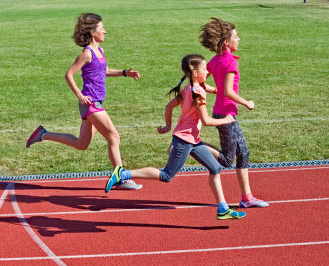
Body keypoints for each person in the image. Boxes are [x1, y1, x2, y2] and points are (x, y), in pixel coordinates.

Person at [105, 54, 246, 220]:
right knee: (166, 175)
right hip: (185, 140)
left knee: (215, 168)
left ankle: (222, 209)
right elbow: (206, 121)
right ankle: (123, 174)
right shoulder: (197, 94)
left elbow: (169, 106)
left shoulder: (189, 88)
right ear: (194, 73)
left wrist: (168, 126)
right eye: (204, 68)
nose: (208, 71)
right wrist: (226, 120)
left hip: (192, 140)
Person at [26, 13, 142, 190]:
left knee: (82, 144)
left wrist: (125, 73)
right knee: (113, 136)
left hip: (96, 102)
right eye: (102, 28)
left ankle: (43, 134)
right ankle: (121, 178)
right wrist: (80, 95)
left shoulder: (99, 51)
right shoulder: (87, 53)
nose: (105, 31)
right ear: (92, 32)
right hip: (91, 102)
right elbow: (69, 74)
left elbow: (103, 70)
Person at [199, 17, 269, 208]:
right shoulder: (230, 62)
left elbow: (201, 81)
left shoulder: (215, 60)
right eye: (236, 37)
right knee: (228, 159)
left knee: (243, 153)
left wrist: (212, 89)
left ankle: (247, 198)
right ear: (227, 42)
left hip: (223, 112)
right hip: (226, 115)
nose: (239, 40)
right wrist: (247, 102)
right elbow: (229, 91)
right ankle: (194, 145)